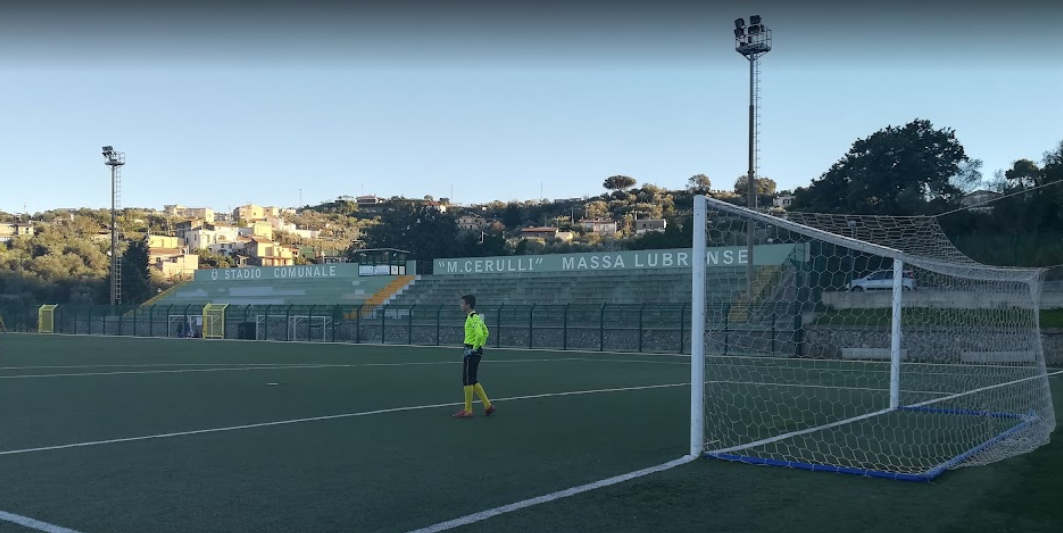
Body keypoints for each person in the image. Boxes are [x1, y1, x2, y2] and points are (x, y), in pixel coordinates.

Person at [453, 294, 495, 419]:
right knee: (472, 379)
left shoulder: (473, 317)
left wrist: (474, 349)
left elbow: (480, 334)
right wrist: (479, 346)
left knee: (467, 380)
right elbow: (486, 332)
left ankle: (468, 410)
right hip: (473, 350)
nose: (461, 305)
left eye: (462, 303)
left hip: (471, 350)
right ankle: (488, 406)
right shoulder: (475, 317)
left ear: (468, 305)